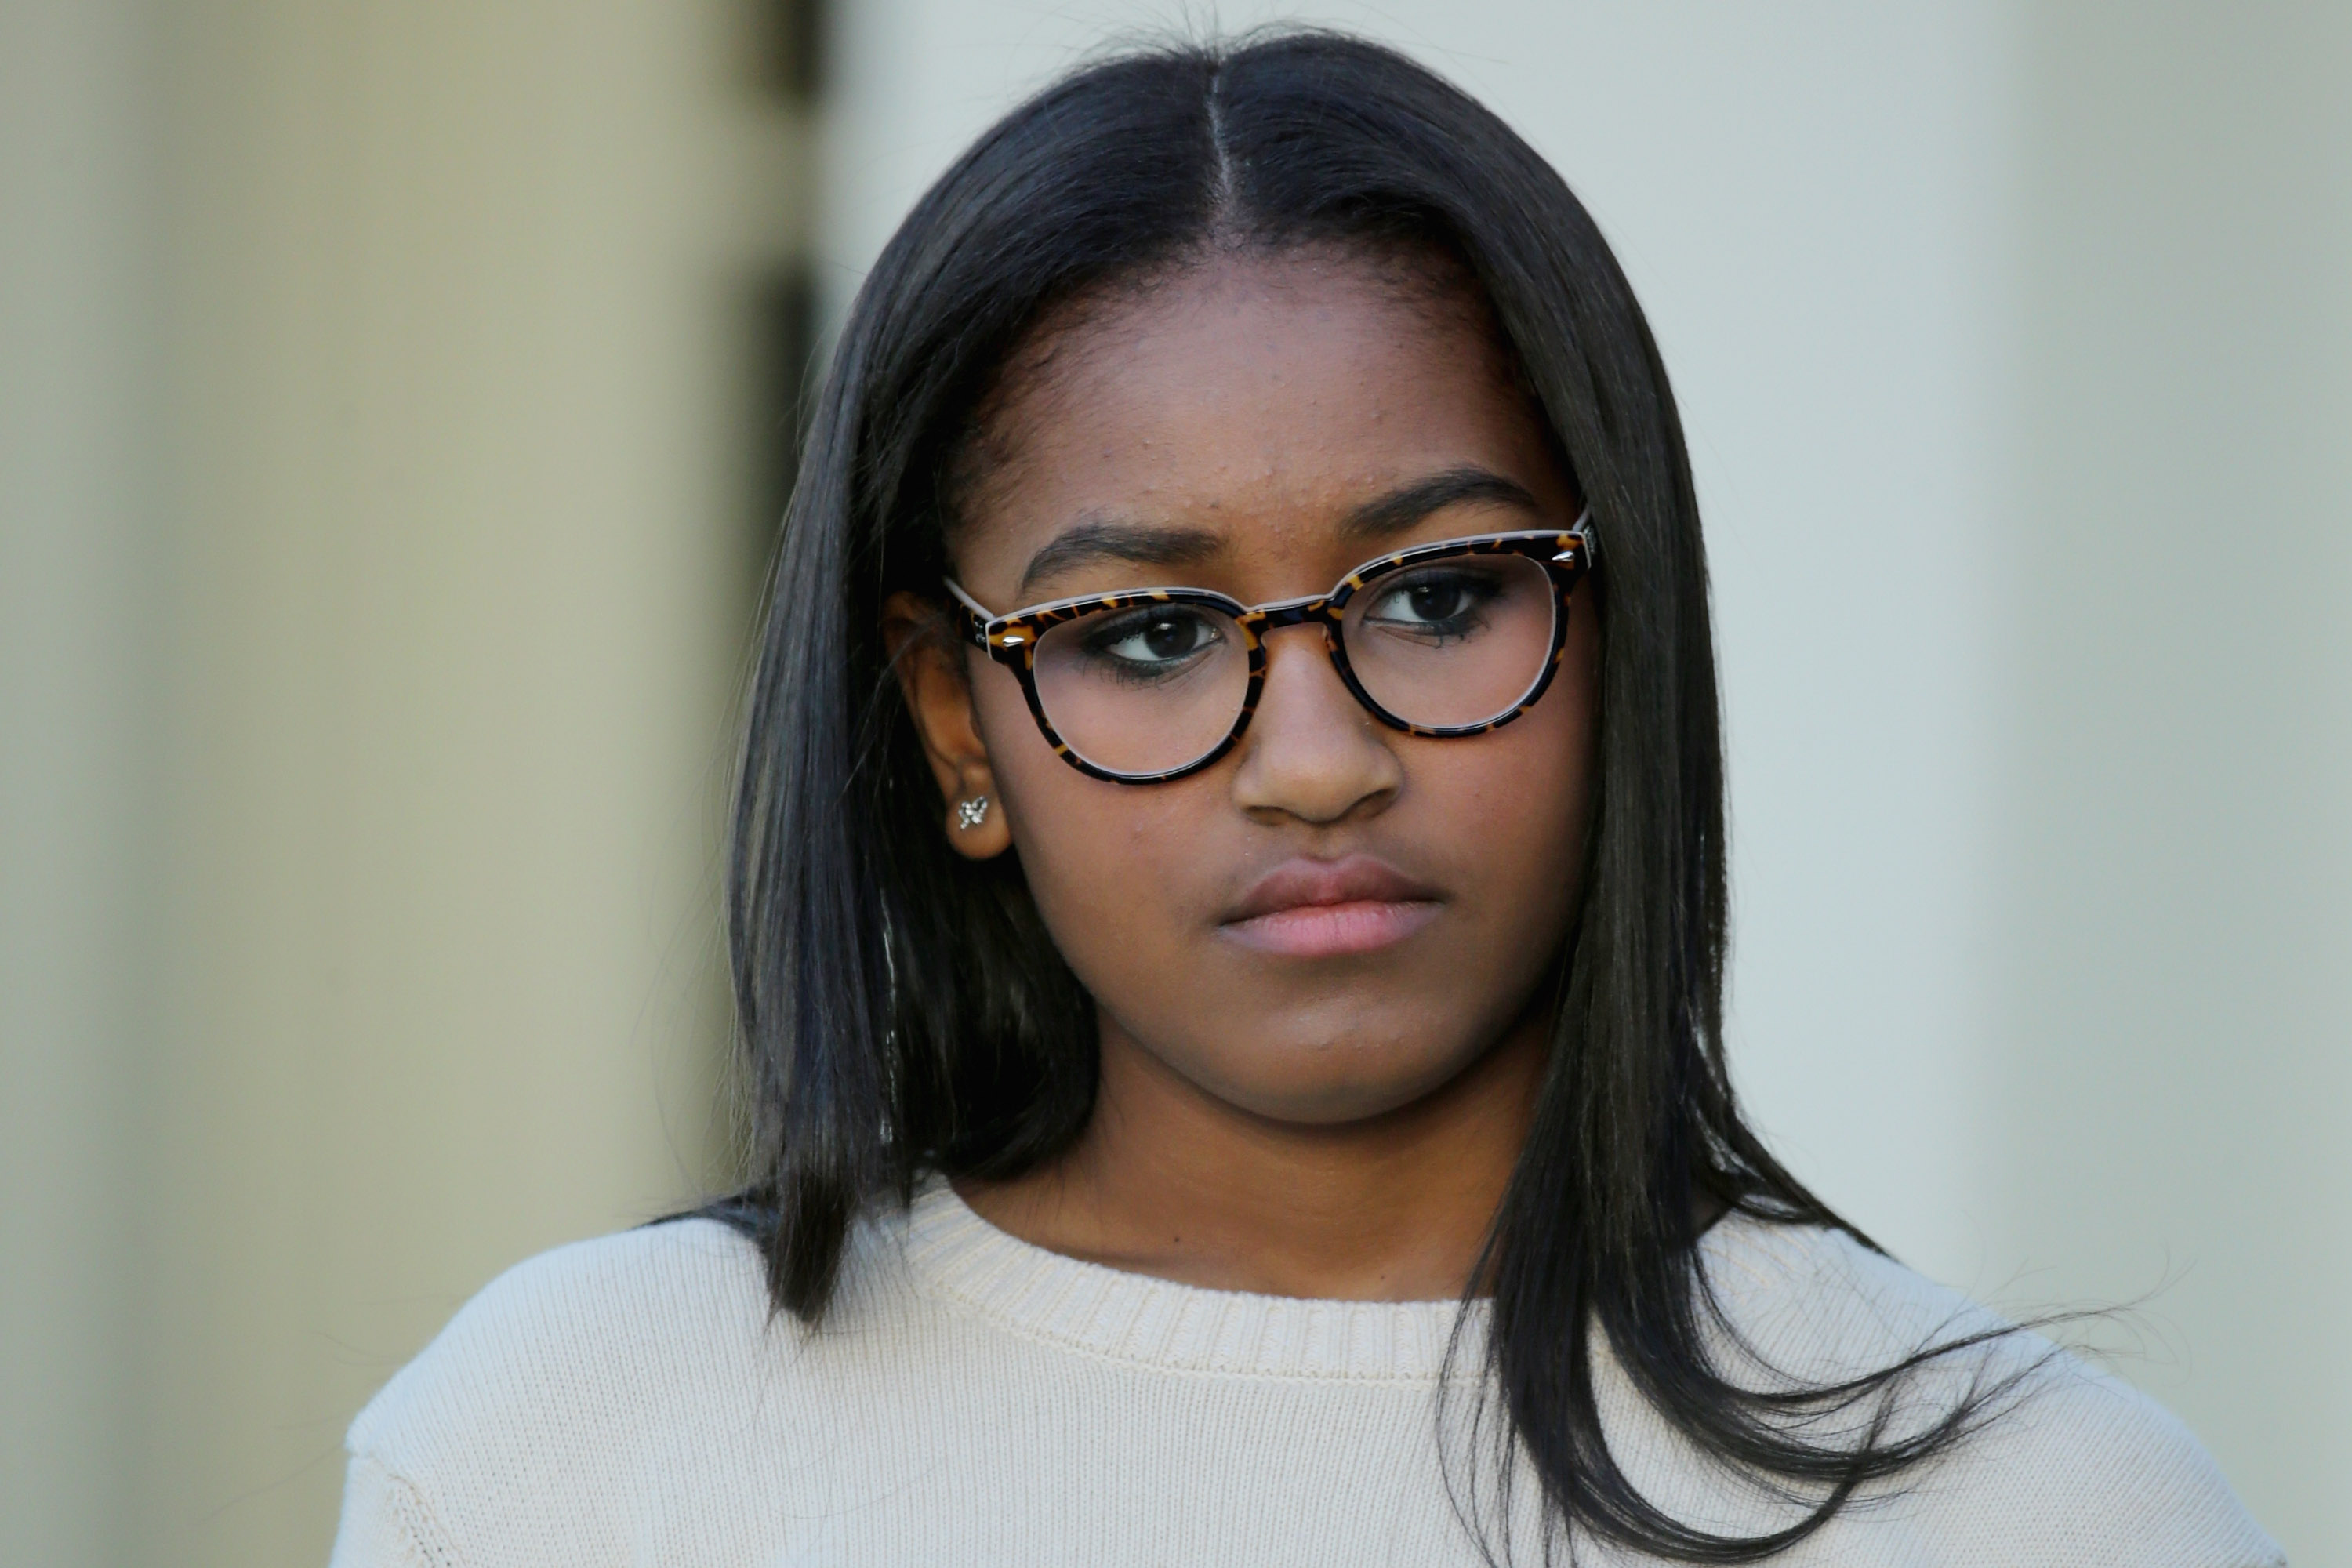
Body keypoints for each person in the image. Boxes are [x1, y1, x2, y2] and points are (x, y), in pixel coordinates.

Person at [328, 31, 2281, 1567]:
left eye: (1440, 599)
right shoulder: (573, 1449)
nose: (1321, 758)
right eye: (1151, 635)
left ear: (1622, 636)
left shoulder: (2042, 1512)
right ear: (952, 727)